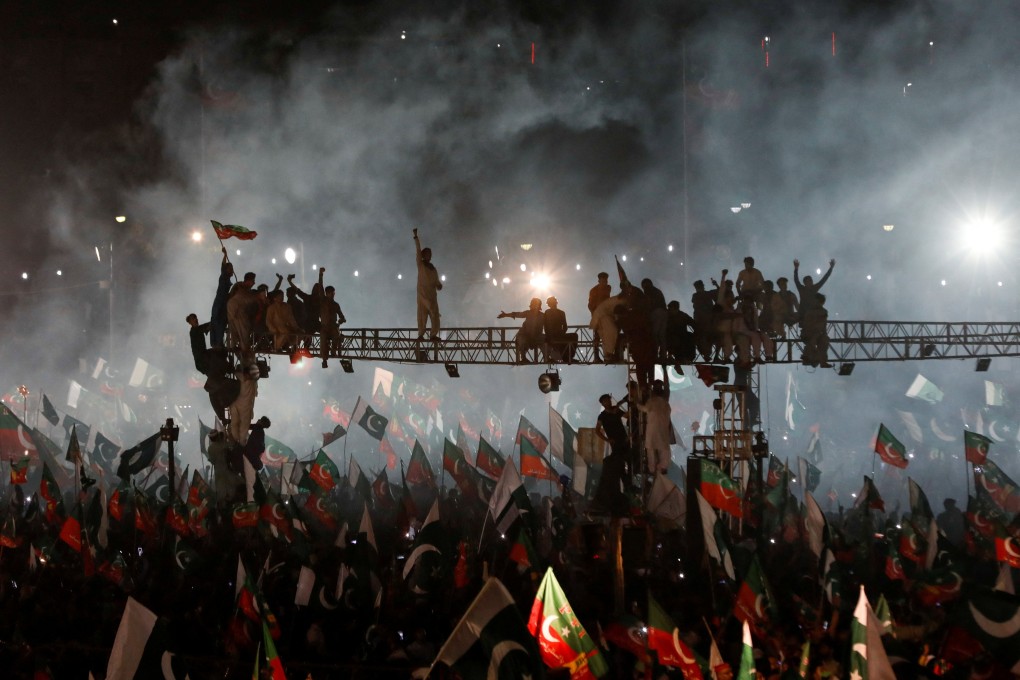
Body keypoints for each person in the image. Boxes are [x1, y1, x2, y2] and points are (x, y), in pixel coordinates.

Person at [635, 380, 672, 476]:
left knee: (651, 449)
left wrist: (637, 403)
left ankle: (653, 469)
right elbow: (667, 389)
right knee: (663, 450)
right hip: (662, 431)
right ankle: (662, 468)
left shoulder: (652, 401)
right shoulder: (665, 402)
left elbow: (644, 408)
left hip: (653, 431)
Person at [413, 228, 442, 341]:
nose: (429, 255)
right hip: (423, 295)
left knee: (435, 316)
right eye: (427, 253)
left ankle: (433, 335)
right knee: (422, 316)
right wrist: (416, 237)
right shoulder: (421, 265)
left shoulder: (433, 268)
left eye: (430, 253)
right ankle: (421, 334)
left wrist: (439, 285)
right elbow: (417, 249)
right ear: (423, 255)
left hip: (432, 296)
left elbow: (436, 281)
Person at [498, 298, 544, 363]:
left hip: (536, 337)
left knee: (545, 339)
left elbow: (549, 324)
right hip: (526, 336)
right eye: (533, 304)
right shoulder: (529, 313)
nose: (533, 306)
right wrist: (506, 315)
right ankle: (523, 357)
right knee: (522, 339)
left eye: (535, 304)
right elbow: (517, 314)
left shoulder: (542, 316)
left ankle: (547, 356)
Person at [226, 272, 258, 352]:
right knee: (240, 332)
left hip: (242, 313)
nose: (254, 283)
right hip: (236, 312)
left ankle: (240, 347)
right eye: (252, 281)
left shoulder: (247, 291)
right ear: (248, 280)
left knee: (243, 333)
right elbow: (233, 299)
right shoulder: (239, 287)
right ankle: (238, 348)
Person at [209, 248, 234, 348]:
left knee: (222, 322)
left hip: (224, 302)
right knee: (215, 320)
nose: (232, 270)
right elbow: (223, 266)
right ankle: (215, 343)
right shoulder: (224, 276)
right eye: (230, 268)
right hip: (219, 300)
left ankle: (219, 342)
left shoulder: (227, 278)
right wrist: (225, 255)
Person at [320, 281, 347, 368]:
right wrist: (321, 275)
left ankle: (333, 351)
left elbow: (342, 317)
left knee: (336, 335)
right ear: (327, 293)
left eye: (333, 293)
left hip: (332, 327)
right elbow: (320, 287)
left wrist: (338, 323)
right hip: (324, 327)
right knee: (323, 341)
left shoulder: (336, 305)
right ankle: (324, 360)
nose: (333, 294)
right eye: (331, 293)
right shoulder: (323, 301)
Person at [590, 292, 624, 362]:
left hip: (603, 317)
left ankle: (608, 356)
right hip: (600, 317)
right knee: (610, 332)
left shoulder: (610, 304)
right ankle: (607, 355)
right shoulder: (614, 303)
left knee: (607, 335)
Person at [640, 278, 668, 361]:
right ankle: (663, 356)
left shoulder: (648, 291)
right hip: (664, 313)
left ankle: (655, 355)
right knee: (662, 336)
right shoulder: (657, 291)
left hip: (656, 313)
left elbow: (648, 305)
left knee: (654, 335)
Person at [587, 272, 612, 361]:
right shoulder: (594, 291)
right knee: (598, 336)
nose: (606, 281)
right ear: (600, 280)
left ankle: (605, 356)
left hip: (605, 316)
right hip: (598, 316)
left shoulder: (607, 288)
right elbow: (590, 305)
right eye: (604, 279)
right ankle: (597, 357)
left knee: (605, 336)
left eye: (606, 280)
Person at [542, 296, 573, 363]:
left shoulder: (560, 313)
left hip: (557, 335)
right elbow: (546, 326)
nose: (552, 304)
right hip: (552, 336)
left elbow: (565, 326)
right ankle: (567, 357)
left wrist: (561, 335)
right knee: (574, 336)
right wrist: (550, 336)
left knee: (574, 336)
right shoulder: (548, 312)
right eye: (551, 303)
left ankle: (569, 357)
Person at [691, 280, 716, 361]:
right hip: (703, 320)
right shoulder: (705, 294)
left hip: (704, 320)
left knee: (705, 337)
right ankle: (706, 354)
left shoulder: (698, 295)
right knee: (704, 338)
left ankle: (706, 354)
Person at [665, 300, 696, 365]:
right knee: (675, 340)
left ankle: (687, 358)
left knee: (690, 337)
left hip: (682, 334)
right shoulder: (666, 315)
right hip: (669, 335)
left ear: (676, 309)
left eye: (671, 309)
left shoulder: (682, 315)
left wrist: (697, 330)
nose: (670, 310)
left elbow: (693, 323)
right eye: (669, 309)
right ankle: (675, 358)